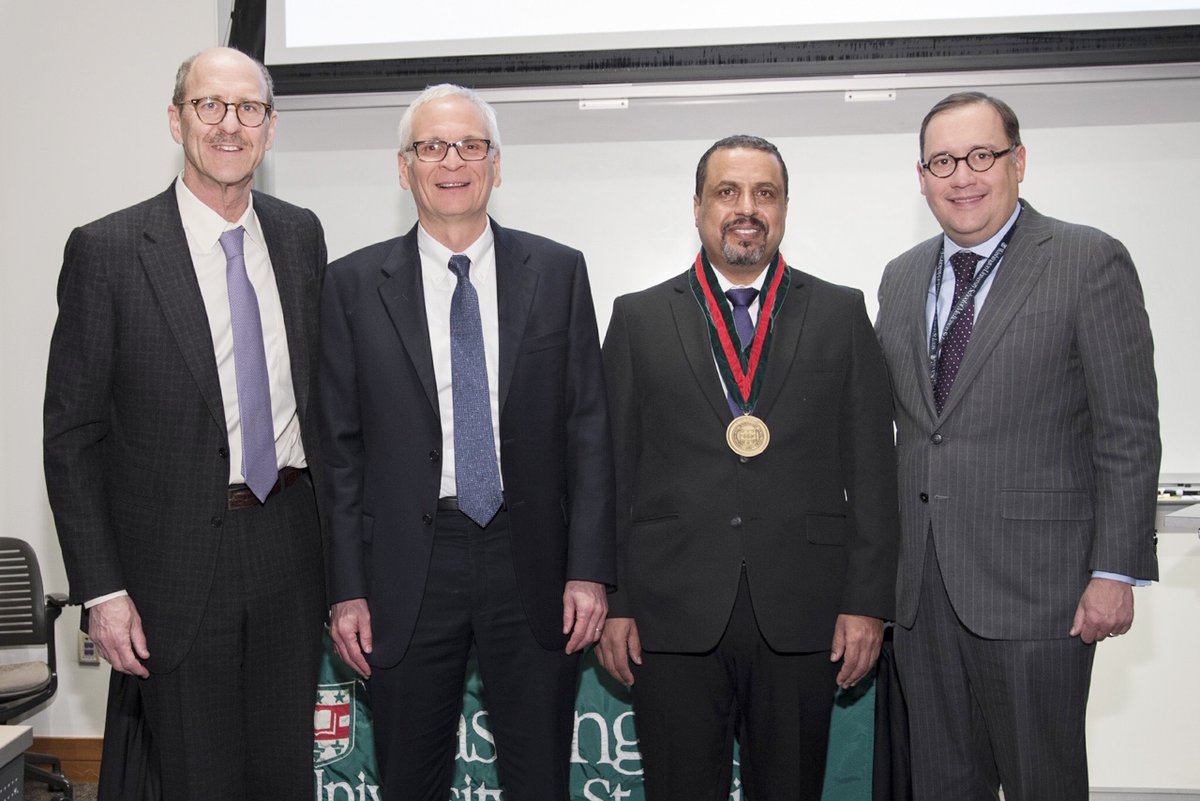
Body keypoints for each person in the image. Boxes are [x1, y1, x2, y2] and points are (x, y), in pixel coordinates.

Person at [42, 47, 328, 800]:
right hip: (172, 567)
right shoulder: (107, 250)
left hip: (290, 546)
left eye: (249, 109)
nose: (229, 125)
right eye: (210, 105)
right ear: (177, 119)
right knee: (195, 779)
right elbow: (71, 438)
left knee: (283, 777)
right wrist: (102, 591)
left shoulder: (301, 238)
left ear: (271, 128)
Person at [321, 83, 616, 801]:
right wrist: (347, 587)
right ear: (404, 167)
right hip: (408, 568)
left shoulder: (557, 270)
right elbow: (339, 451)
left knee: (539, 775)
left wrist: (589, 568)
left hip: (533, 559)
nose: (452, 161)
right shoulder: (352, 285)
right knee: (410, 778)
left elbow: (588, 429)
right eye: (432, 146)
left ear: (496, 164)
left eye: (470, 145)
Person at [875, 91, 1160, 800]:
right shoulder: (902, 276)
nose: (962, 176)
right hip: (922, 593)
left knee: (1043, 782)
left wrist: (1116, 571)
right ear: (921, 176)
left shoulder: (1086, 259)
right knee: (941, 783)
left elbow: (1126, 428)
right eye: (943, 161)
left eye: (981, 155)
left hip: (1043, 592)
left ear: (1018, 161)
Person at [596, 134, 899, 800]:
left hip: (804, 610)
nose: (747, 208)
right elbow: (611, 475)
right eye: (727, 191)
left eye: (765, 193)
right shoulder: (638, 318)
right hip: (671, 614)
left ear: (785, 207)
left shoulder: (841, 312)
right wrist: (615, 600)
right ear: (699, 205)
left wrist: (867, 604)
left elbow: (875, 469)